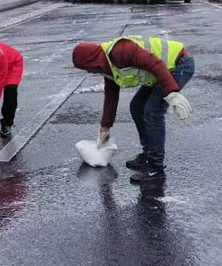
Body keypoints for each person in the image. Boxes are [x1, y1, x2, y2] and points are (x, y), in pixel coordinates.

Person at [71, 36, 195, 184]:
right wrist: (105, 128)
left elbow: (155, 64)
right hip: (162, 72)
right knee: (136, 106)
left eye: (86, 68)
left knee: (152, 112)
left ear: (91, 61)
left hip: (179, 64)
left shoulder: (120, 51)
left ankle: (155, 167)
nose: (89, 72)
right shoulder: (107, 64)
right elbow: (111, 96)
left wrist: (172, 93)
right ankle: (148, 155)